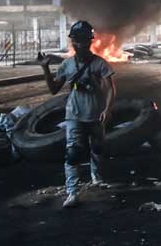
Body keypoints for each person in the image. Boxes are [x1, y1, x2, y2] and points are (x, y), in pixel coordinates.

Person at [36, 20, 116, 208]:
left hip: (96, 113)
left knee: (97, 147)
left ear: (89, 42)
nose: (79, 44)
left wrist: (107, 109)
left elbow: (110, 88)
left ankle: (96, 176)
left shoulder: (99, 63)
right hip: (74, 114)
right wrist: (45, 68)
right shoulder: (67, 65)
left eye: (82, 40)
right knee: (73, 152)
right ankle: (72, 192)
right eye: (76, 40)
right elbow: (54, 89)